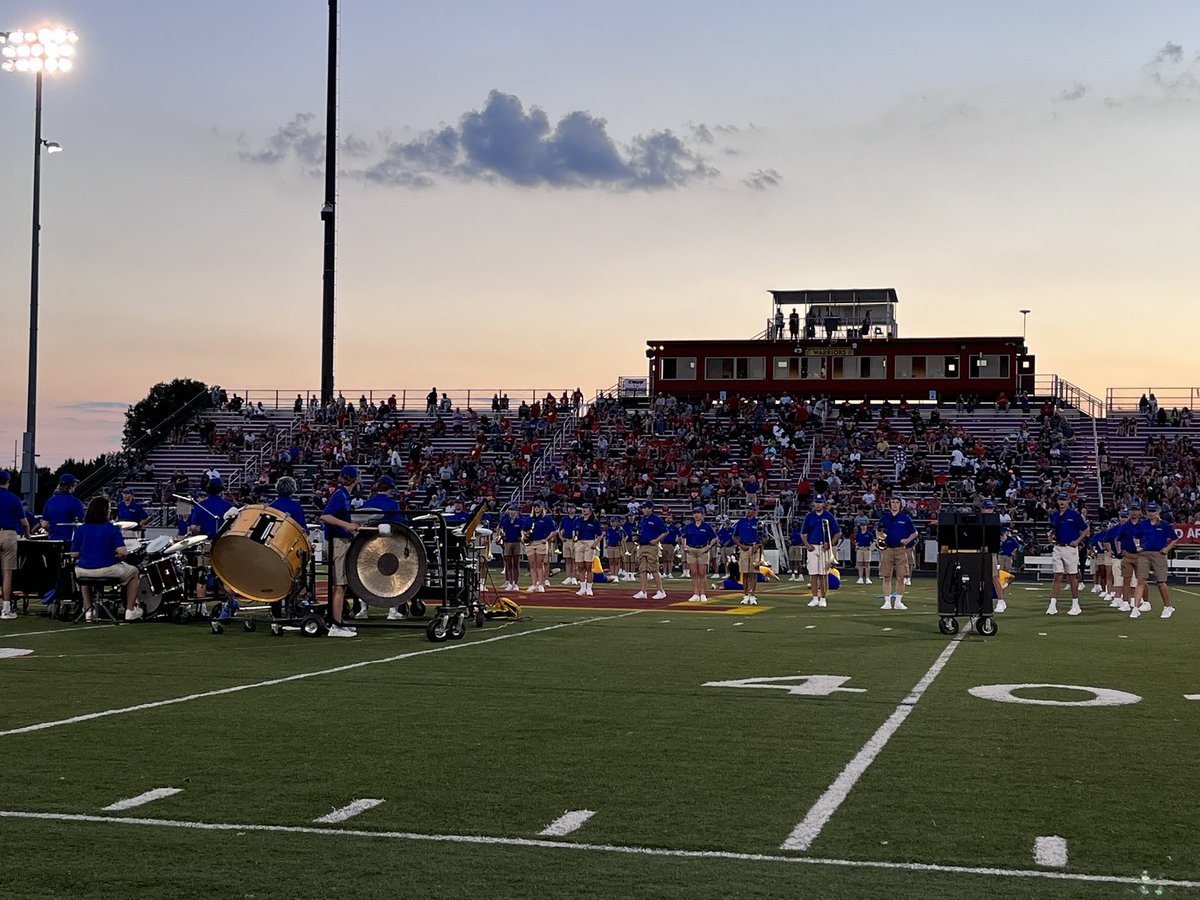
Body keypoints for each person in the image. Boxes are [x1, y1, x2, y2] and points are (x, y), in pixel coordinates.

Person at [71, 495, 143, 622]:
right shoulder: (112, 529)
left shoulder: (80, 529)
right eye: (109, 509)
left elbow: (74, 554)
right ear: (105, 511)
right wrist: (119, 557)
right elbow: (122, 552)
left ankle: (88, 610)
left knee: (85, 576)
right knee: (135, 572)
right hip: (107, 569)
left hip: (83, 571)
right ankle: (131, 610)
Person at [356, 475, 406, 620]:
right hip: (389, 544)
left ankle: (363, 610)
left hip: (368, 545)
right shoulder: (393, 504)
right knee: (392, 575)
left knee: (365, 576)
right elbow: (400, 524)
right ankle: (392, 611)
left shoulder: (368, 503)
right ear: (389, 489)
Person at [319, 465, 361, 636]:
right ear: (355, 480)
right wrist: (347, 526)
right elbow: (325, 515)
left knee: (341, 585)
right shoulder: (340, 495)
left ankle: (339, 622)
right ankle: (336, 625)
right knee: (339, 584)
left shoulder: (342, 494)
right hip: (338, 543)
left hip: (340, 540)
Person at [1046, 491, 1088, 616]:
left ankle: (1076, 604)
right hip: (1058, 547)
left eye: (1064, 500)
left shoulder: (1074, 515)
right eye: (1060, 500)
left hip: (1070, 548)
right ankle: (1052, 605)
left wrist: (1077, 541)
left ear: (1069, 501)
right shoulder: (1054, 515)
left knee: (1072, 576)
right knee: (1057, 575)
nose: (1062, 502)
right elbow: (1053, 530)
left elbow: (1086, 529)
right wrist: (1051, 537)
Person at [0, 470, 32, 620]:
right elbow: (24, 522)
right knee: (7, 573)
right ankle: (6, 608)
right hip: (8, 534)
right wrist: (28, 535)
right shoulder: (14, 499)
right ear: (8, 482)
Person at [1137, 502, 1177, 619]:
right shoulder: (1143, 524)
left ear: (1158, 512)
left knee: (1160, 582)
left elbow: (1174, 539)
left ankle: (1167, 606)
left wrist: (1167, 548)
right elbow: (1136, 536)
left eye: (1153, 511)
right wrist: (1138, 545)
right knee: (1141, 579)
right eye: (1149, 511)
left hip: (1159, 554)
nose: (1151, 513)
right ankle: (1141, 605)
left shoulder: (1164, 525)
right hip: (1144, 553)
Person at [877, 496, 916, 610]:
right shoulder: (884, 518)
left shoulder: (905, 518)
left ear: (900, 505)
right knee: (886, 575)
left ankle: (898, 601)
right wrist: (880, 539)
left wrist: (907, 540)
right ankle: (887, 602)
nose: (895, 504)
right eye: (893, 502)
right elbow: (878, 530)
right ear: (890, 504)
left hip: (900, 549)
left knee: (901, 576)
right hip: (888, 549)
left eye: (897, 502)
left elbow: (914, 533)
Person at [802, 495, 841, 608]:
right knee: (813, 574)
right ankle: (814, 598)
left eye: (820, 502)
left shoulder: (828, 516)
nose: (818, 504)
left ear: (824, 504)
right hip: (813, 547)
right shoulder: (809, 517)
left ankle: (823, 598)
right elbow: (803, 533)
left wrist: (829, 544)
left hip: (824, 547)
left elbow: (837, 533)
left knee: (823, 574)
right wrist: (807, 545)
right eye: (816, 502)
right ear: (813, 503)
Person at [1114, 504, 1147, 616]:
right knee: (1126, 580)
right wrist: (1119, 551)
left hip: (1140, 555)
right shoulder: (1125, 526)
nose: (1134, 512)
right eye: (1132, 510)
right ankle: (1125, 602)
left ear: (1140, 512)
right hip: (1128, 554)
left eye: (1136, 510)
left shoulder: (1143, 524)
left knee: (1142, 579)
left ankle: (1145, 601)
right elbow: (1117, 539)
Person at [681, 506, 719, 602]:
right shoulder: (689, 526)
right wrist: (685, 546)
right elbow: (683, 537)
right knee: (694, 573)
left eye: (698, 513)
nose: (696, 515)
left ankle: (702, 593)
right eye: (694, 513)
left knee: (702, 572)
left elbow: (715, 538)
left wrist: (709, 546)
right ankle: (695, 593)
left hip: (702, 549)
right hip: (691, 549)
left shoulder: (706, 526)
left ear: (702, 515)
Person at [633, 501, 668, 601]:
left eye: (644, 508)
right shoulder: (643, 519)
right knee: (642, 569)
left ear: (650, 509)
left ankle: (661, 591)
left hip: (651, 546)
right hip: (642, 545)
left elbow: (665, 532)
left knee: (654, 568)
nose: (643, 510)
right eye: (642, 508)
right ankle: (643, 591)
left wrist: (656, 540)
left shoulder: (656, 519)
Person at [732, 502, 763, 605]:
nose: (748, 511)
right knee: (744, 572)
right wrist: (740, 545)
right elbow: (734, 536)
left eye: (750, 509)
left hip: (755, 547)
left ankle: (752, 595)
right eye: (747, 509)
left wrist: (758, 545)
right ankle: (745, 595)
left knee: (753, 572)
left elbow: (764, 537)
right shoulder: (741, 522)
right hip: (744, 547)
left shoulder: (759, 522)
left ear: (754, 511)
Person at [524, 499, 557, 592]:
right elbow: (523, 529)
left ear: (542, 508)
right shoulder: (529, 519)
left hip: (540, 542)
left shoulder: (546, 519)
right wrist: (524, 537)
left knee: (540, 563)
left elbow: (554, 531)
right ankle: (534, 583)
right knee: (532, 564)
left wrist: (546, 539)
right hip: (530, 543)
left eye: (538, 507)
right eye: (535, 507)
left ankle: (541, 583)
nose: (536, 508)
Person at [40, 473, 86, 542]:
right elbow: (82, 523)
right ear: (72, 486)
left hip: (52, 539)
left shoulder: (49, 501)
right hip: (70, 540)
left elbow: (44, 524)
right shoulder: (76, 502)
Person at [573, 504, 602, 596]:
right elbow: (575, 531)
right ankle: (582, 587)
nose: (584, 510)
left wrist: (595, 543)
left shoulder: (594, 521)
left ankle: (589, 588)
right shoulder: (579, 520)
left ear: (590, 510)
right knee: (580, 565)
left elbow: (600, 535)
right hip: (580, 542)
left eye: (586, 508)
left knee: (588, 566)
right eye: (583, 508)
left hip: (589, 541)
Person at [498, 506, 526, 591]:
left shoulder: (521, 521)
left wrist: (522, 539)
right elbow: (501, 530)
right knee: (508, 564)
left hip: (516, 543)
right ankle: (509, 582)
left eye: (514, 511)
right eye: (511, 510)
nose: (512, 512)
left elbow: (523, 532)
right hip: (507, 542)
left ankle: (515, 583)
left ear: (517, 512)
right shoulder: (506, 521)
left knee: (516, 564)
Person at [559, 502, 579, 587]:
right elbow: (559, 530)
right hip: (566, 540)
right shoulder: (564, 519)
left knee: (574, 559)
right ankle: (568, 576)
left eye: (572, 508)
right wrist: (561, 538)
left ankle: (573, 576)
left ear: (575, 509)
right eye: (569, 508)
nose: (570, 509)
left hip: (575, 541)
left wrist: (577, 538)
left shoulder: (578, 519)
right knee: (568, 559)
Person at [603, 515, 624, 586]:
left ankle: (616, 575)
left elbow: (622, 538)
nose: (612, 523)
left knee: (617, 561)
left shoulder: (620, 529)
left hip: (617, 546)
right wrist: (606, 544)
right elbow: (606, 538)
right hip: (610, 546)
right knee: (611, 561)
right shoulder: (608, 529)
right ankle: (612, 575)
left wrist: (621, 546)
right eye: (611, 521)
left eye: (614, 521)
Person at [853, 517, 875, 585]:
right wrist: (856, 547)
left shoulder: (869, 534)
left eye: (864, 525)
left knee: (867, 564)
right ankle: (860, 578)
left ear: (866, 526)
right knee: (860, 564)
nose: (863, 527)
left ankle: (867, 578)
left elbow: (873, 542)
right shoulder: (859, 534)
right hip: (860, 549)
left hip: (866, 549)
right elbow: (856, 541)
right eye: (862, 526)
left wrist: (870, 548)